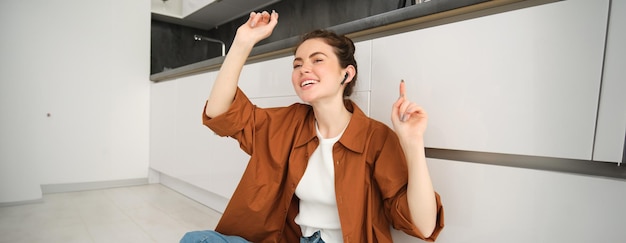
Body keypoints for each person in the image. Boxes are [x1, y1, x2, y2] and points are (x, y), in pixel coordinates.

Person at [181, 10, 444, 243]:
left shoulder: (375, 137)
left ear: (347, 73)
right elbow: (220, 113)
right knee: (197, 240)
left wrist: (412, 143)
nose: (304, 69)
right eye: (298, 64)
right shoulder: (287, 124)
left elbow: (423, 225)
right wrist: (242, 43)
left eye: (317, 60)